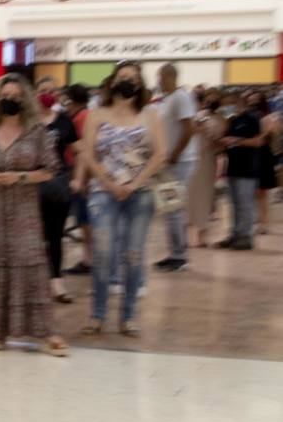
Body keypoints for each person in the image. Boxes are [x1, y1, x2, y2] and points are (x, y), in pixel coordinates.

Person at [0, 75, 68, 356]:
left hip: (25, 209)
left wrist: (20, 177)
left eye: (15, 95)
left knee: (30, 262)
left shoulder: (36, 132)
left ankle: (46, 331)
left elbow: (51, 169)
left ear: (25, 100)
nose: (9, 100)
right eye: (5, 95)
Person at [79, 61, 165, 336]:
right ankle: (97, 315)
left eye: (132, 78)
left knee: (134, 254)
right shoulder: (97, 114)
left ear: (139, 86)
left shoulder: (150, 114)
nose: (126, 81)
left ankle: (128, 317)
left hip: (139, 193)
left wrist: (135, 183)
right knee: (103, 253)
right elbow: (88, 153)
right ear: (112, 81)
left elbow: (160, 154)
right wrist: (108, 183)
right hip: (104, 193)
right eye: (122, 76)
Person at [36, 77, 79, 302]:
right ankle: (34, 283)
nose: (48, 94)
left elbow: (77, 150)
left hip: (58, 184)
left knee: (54, 235)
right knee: (32, 235)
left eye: (52, 90)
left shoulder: (64, 121)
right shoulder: (28, 121)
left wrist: (77, 178)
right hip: (32, 184)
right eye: (43, 90)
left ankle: (56, 282)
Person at [153, 64, 197, 273]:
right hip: (169, 160)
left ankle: (179, 255)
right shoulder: (166, 100)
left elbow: (189, 129)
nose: (159, 81)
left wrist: (175, 155)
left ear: (170, 76)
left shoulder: (181, 97)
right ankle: (174, 252)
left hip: (180, 160)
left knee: (174, 207)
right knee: (169, 207)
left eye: (161, 77)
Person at [218, 90, 265, 251]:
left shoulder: (252, 119)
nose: (227, 106)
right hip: (233, 168)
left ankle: (246, 236)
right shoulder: (232, 120)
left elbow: (258, 141)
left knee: (246, 204)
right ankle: (235, 233)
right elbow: (224, 139)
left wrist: (237, 141)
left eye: (229, 102)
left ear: (238, 101)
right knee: (234, 204)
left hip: (248, 168)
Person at [63, 84, 95, 275]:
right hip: (75, 169)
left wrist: (81, 177)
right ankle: (88, 257)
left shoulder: (82, 118)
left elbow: (83, 148)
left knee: (85, 218)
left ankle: (89, 258)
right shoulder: (82, 116)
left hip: (78, 171)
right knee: (82, 218)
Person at [189, 90, 226, 248]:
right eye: (210, 98)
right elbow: (191, 130)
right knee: (191, 198)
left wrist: (217, 140)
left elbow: (220, 141)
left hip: (209, 161)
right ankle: (189, 235)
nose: (212, 100)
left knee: (207, 198)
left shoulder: (222, 119)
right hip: (195, 160)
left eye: (215, 98)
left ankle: (201, 236)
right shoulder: (198, 116)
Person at [250, 88, 278, 236]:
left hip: (263, 153)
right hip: (252, 153)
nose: (253, 102)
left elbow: (271, 134)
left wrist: (265, 131)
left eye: (256, 100)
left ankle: (264, 222)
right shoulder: (249, 116)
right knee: (253, 191)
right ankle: (257, 220)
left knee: (262, 192)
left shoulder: (269, 117)